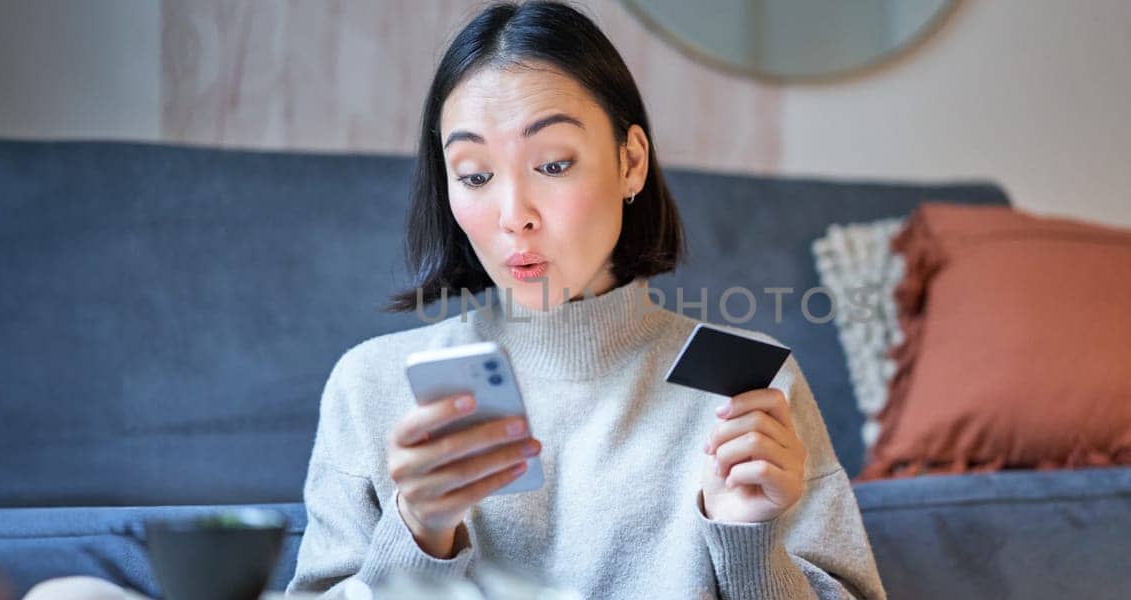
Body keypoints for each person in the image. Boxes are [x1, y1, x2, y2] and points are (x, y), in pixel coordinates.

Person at [285, 2, 885, 599]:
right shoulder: (371, 387)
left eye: (552, 163)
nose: (514, 215)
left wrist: (750, 543)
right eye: (473, 175)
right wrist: (417, 535)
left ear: (631, 163)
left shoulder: (747, 389)